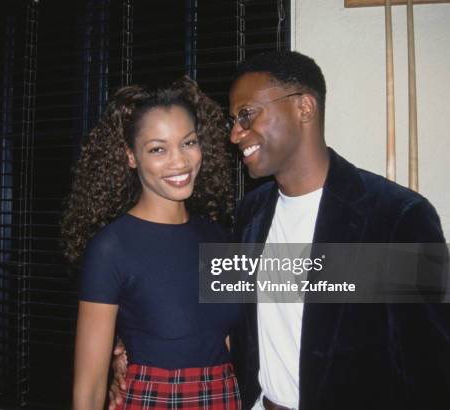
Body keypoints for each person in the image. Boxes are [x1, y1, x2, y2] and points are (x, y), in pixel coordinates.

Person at [109, 51, 450, 410]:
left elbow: (431, 371)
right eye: (233, 120)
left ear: (304, 107)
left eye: (246, 114)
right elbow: (206, 307)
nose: (235, 134)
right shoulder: (250, 214)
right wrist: (127, 344)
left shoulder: (397, 218)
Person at [63, 77, 241, 409]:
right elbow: (88, 389)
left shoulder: (217, 236)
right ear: (131, 156)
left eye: (188, 143)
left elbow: (228, 339)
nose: (180, 162)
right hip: (155, 400)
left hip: (224, 397)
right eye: (158, 149)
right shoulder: (111, 248)